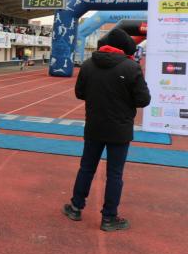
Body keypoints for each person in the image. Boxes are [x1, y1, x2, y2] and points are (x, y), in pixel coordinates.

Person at [63, 29, 151, 231]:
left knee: (86, 168)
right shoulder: (132, 67)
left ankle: (76, 207)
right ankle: (109, 218)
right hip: (120, 129)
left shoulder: (87, 65)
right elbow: (143, 100)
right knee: (114, 174)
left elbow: (79, 93)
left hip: (94, 125)